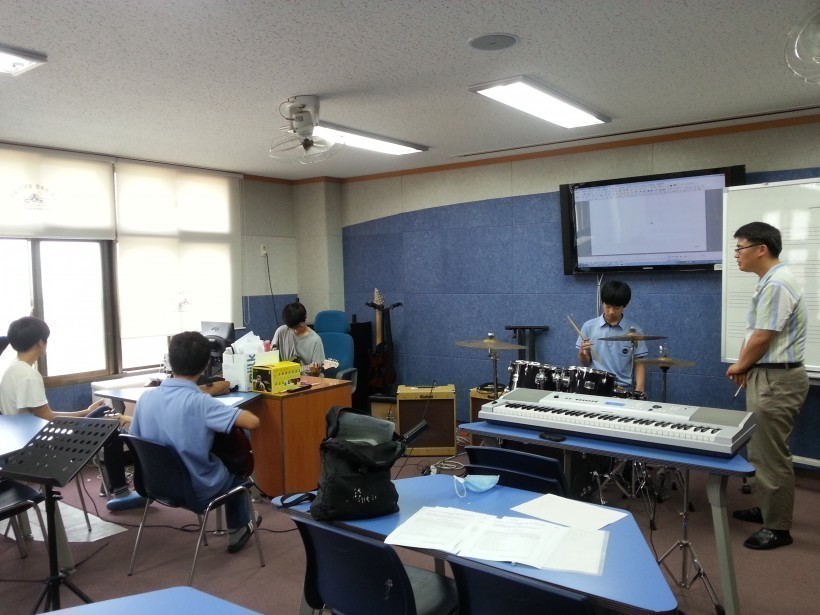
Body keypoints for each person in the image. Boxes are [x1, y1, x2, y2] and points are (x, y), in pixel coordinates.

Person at [129, 331, 261, 553]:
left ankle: (239, 523)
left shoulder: (145, 398)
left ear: (171, 360)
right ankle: (238, 528)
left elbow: (134, 437)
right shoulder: (200, 403)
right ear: (206, 364)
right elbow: (252, 422)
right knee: (237, 464)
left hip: (154, 484)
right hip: (196, 489)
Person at [0, 316, 146, 511]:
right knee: (113, 429)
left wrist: (86, 412)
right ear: (40, 343)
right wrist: (86, 414)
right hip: (41, 447)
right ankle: (122, 491)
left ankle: (116, 486)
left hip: (28, 441)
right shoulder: (27, 375)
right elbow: (47, 417)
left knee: (104, 413)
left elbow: (44, 415)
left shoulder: (11, 369)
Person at [726, 222, 808, 550]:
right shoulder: (769, 281)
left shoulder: (777, 284)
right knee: (761, 450)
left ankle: (778, 528)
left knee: (771, 455)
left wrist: (740, 365)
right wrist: (747, 364)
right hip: (768, 375)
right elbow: (756, 333)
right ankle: (767, 508)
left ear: (761, 249)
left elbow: (763, 336)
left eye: (740, 248)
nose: (736, 254)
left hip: (777, 379)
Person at [575, 280, 647, 394]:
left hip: (623, 387)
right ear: (602, 302)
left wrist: (639, 390)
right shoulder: (589, 326)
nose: (611, 312)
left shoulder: (635, 330)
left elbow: (640, 363)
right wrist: (582, 354)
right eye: (607, 306)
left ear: (626, 305)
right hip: (595, 385)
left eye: (616, 308)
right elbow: (586, 363)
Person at [272, 302, 325, 376]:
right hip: (284, 378)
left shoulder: (315, 340)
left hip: (306, 379)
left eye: (298, 327)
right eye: (291, 328)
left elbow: (317, 373)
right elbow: (271, 357)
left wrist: (314, 371)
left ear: (305, 318)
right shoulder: (281, 331)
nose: (295, 331)